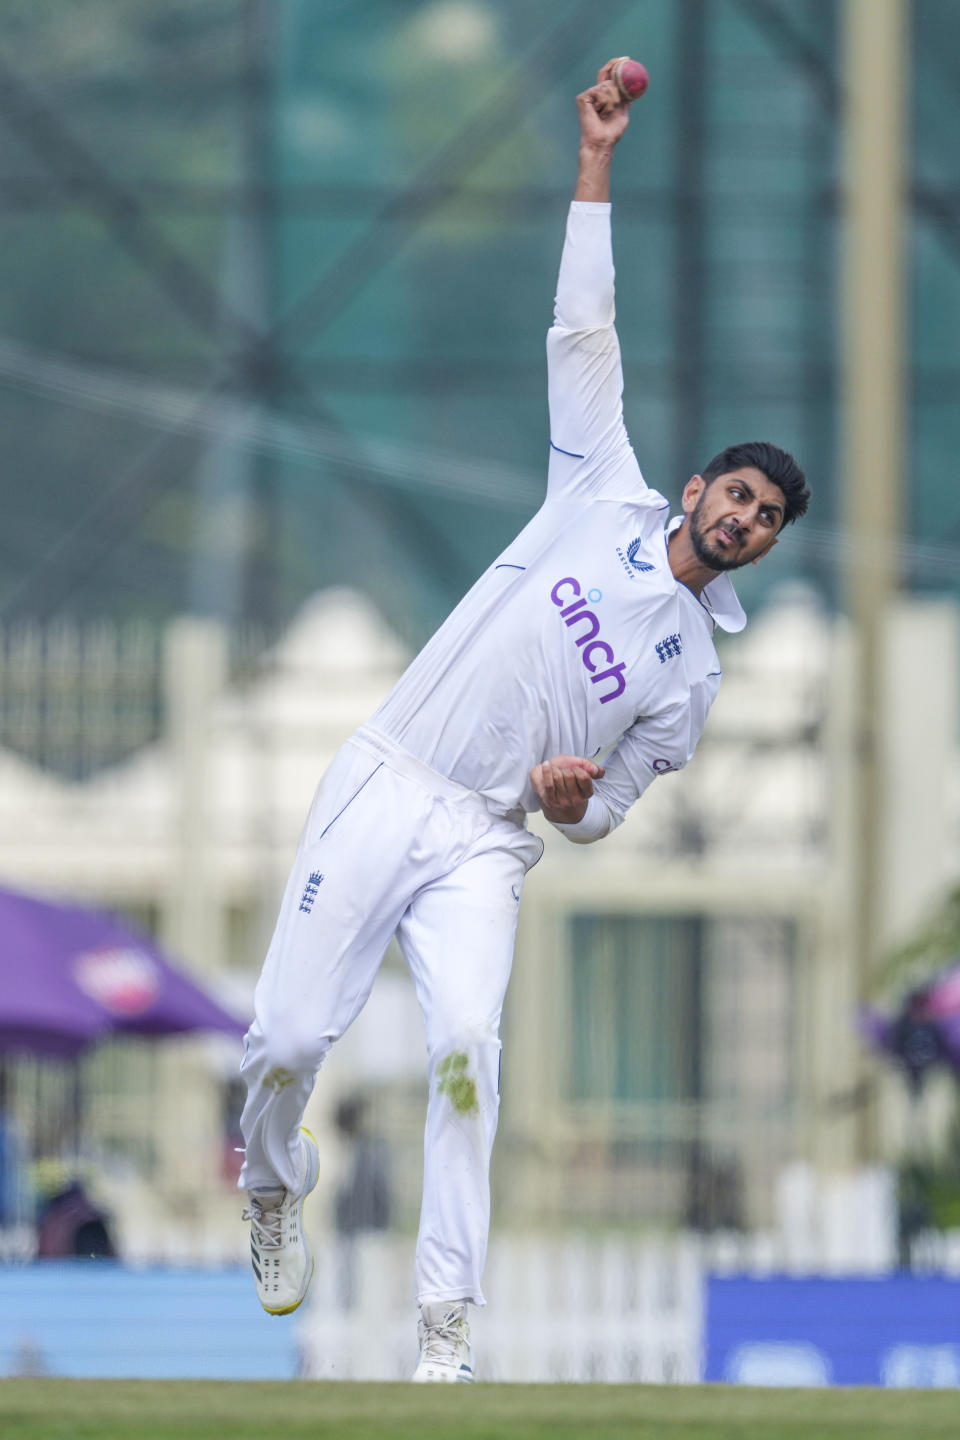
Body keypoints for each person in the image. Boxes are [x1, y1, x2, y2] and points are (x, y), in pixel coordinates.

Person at [238, 58, 810, 1383]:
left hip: (489, 845)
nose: (742, 522)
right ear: (693, 487)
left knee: (460, 1053)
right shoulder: (595, 490)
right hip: (392, 779)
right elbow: (582, 329)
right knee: (285, 1041)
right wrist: (596, 157)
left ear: (769, 549)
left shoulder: (693, 679)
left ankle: (446, 1326)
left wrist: (572, 808)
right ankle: (271, 1188)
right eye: (734, 498)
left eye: (766, 522)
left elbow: (610, 810)